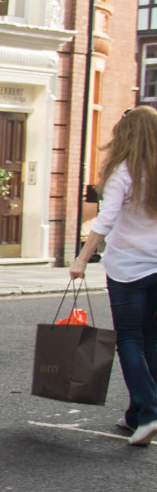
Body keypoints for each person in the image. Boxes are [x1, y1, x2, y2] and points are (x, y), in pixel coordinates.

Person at [70, 105, 157, 446]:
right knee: (150, 339)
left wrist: (81, 260)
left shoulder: (124, 171)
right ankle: (137, 413)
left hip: (128, 270)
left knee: (129, 339)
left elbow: (104, 221)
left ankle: (149, 413)